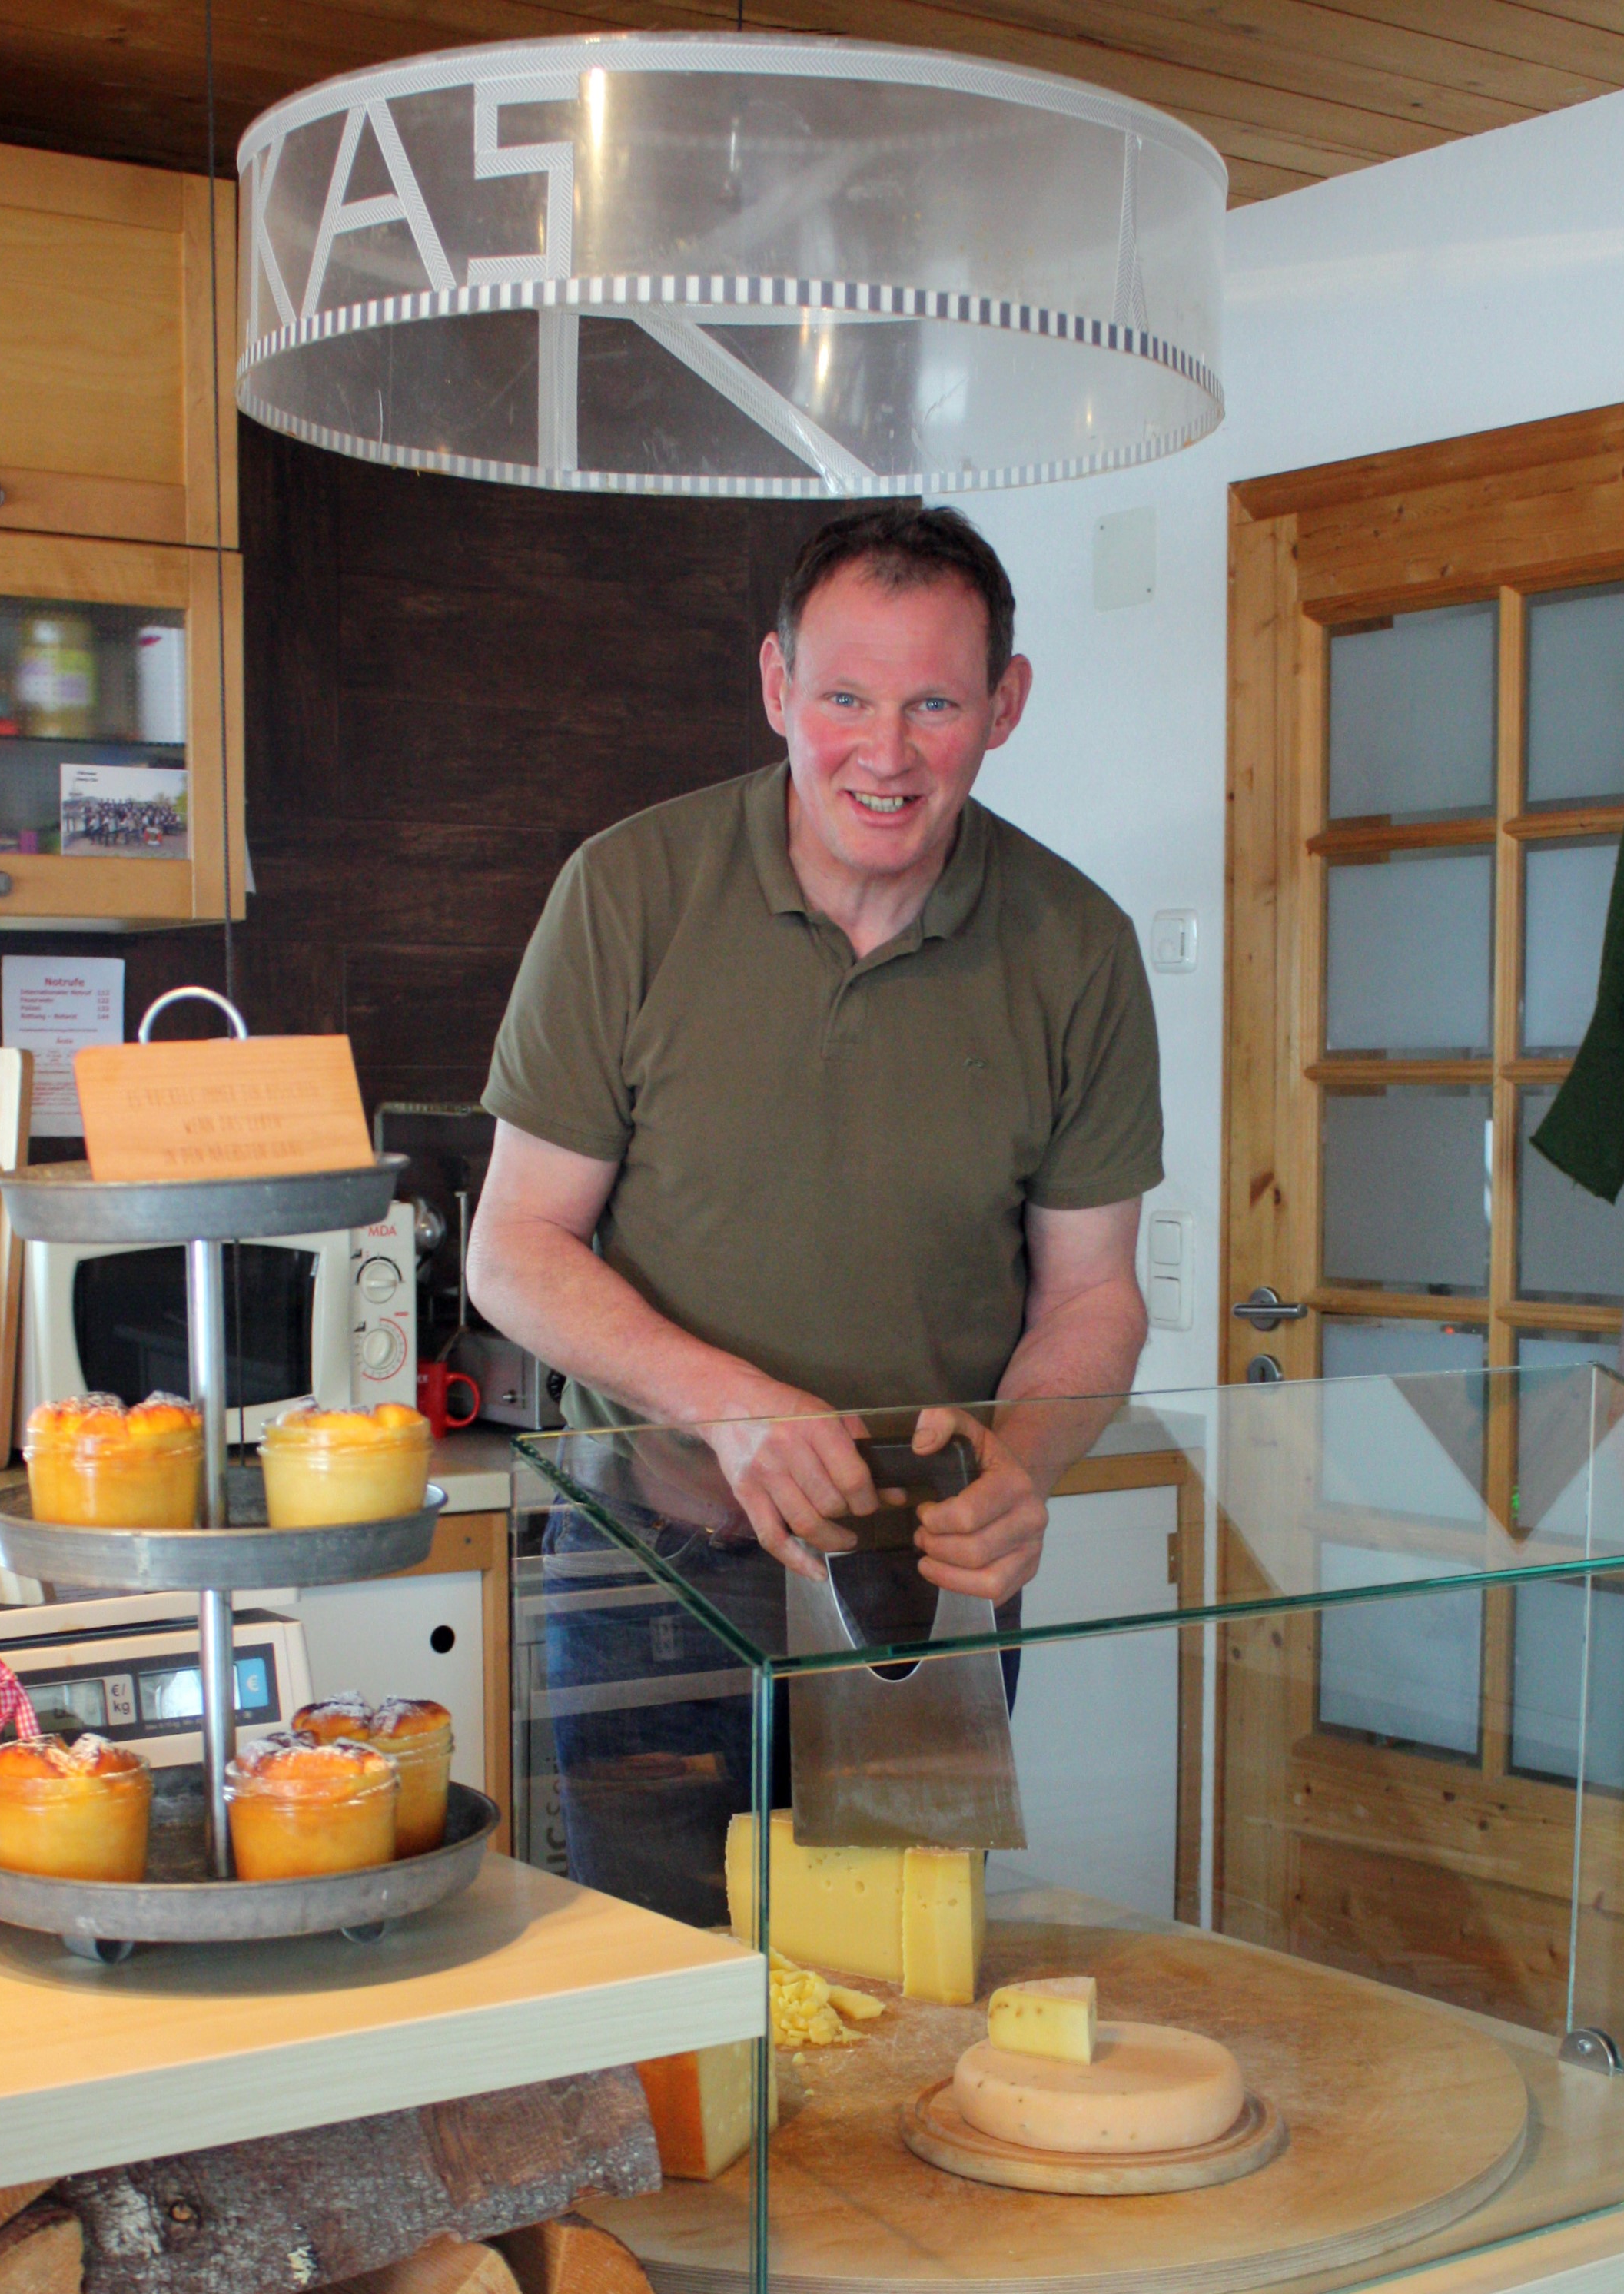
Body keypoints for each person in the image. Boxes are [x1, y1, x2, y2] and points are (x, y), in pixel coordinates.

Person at [470, 502, 1162, 1919]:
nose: (887, 753)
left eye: (935, 704)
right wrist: (735, 1406)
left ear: (1004, 707)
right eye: (845, 697)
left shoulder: (1077, 945)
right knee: (664, 2019)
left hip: (928, 1579)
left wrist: (1023, 1464)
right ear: (779, 686)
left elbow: (1091, 1293)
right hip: (649, 1568)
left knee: (899, 2011)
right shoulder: (626, 894)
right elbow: (515, 1248)